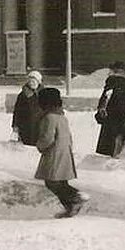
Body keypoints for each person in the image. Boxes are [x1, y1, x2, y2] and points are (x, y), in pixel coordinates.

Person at [35, 87, 88, 218]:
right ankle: (71, 206)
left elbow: (47, 138)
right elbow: (69, 136)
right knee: (61, 182)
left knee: (52, 182)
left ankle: (75, 197)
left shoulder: (49, 118)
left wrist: (40, 146)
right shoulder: (61, 116)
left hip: (54, 154)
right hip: (64, 152)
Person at [95, 61, 125, 159]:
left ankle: (114, 167)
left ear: (115, 70)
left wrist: (101, 111)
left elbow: (107, 96)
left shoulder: (113, 80)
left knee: (115, 147)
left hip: (116, 119)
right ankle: (123, 165)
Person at [12, 70, 45, 146]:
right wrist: (15, 125)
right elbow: (17, 111)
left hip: (39, 125)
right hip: (25, 126)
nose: (32, 83)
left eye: (34, 81)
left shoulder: (44, 94)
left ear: (39, 82)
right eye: (30, 81)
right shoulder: (23, 95)